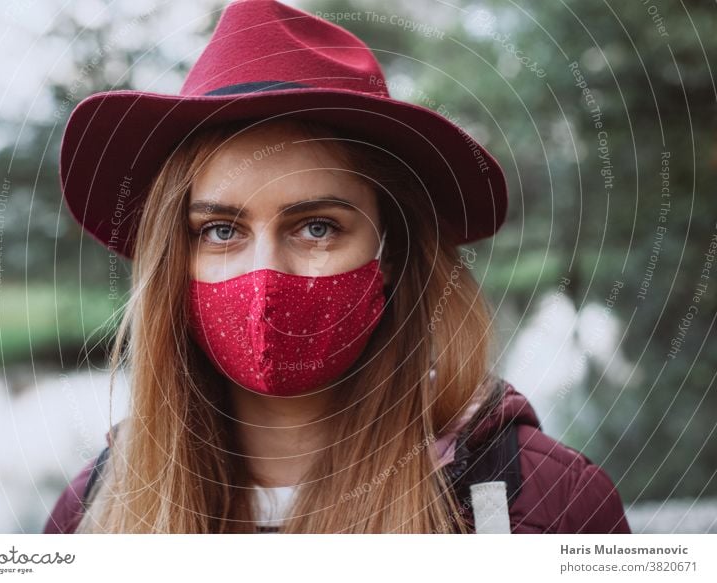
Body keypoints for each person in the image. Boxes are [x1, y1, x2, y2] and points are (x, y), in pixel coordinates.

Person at [44, 0, 631, 534]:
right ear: (175, 256)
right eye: (221, 230)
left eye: (317, 227)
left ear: (392, 252)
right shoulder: (94, 513)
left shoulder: (548, 505)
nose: (266, 274)